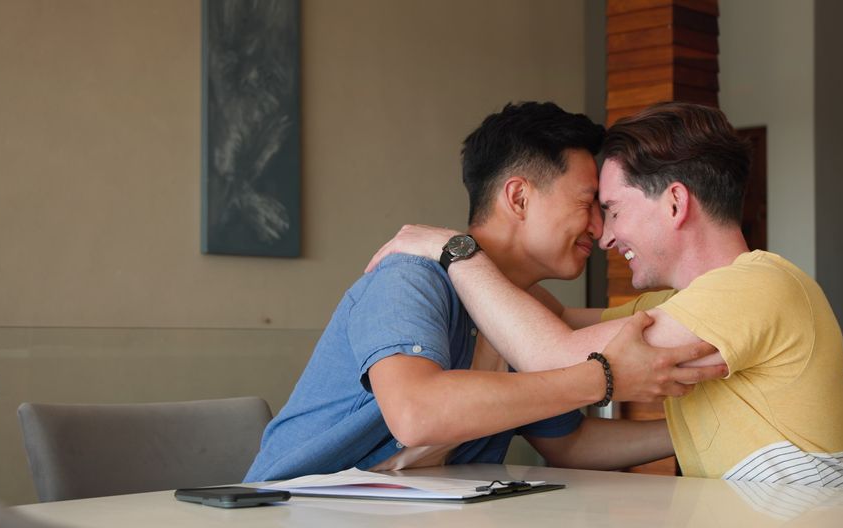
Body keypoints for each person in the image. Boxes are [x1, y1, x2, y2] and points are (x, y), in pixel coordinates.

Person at [369, 102, 843, 489]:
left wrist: (452, 249)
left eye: (613, 209)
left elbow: (552, 354)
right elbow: (554, 319)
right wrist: (495, 254)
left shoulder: (756, 287)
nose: (606, 236)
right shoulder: (682, 305)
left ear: (675, 203)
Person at [245, 102, 725, 483]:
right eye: (587, 204)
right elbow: (416, 412)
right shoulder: (410, 278)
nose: (600, 231)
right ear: (518, 197)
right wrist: (602, 377)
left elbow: (570, 443)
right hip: (290, 515)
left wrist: (702, 430)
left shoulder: (525, 313)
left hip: (405, 523)